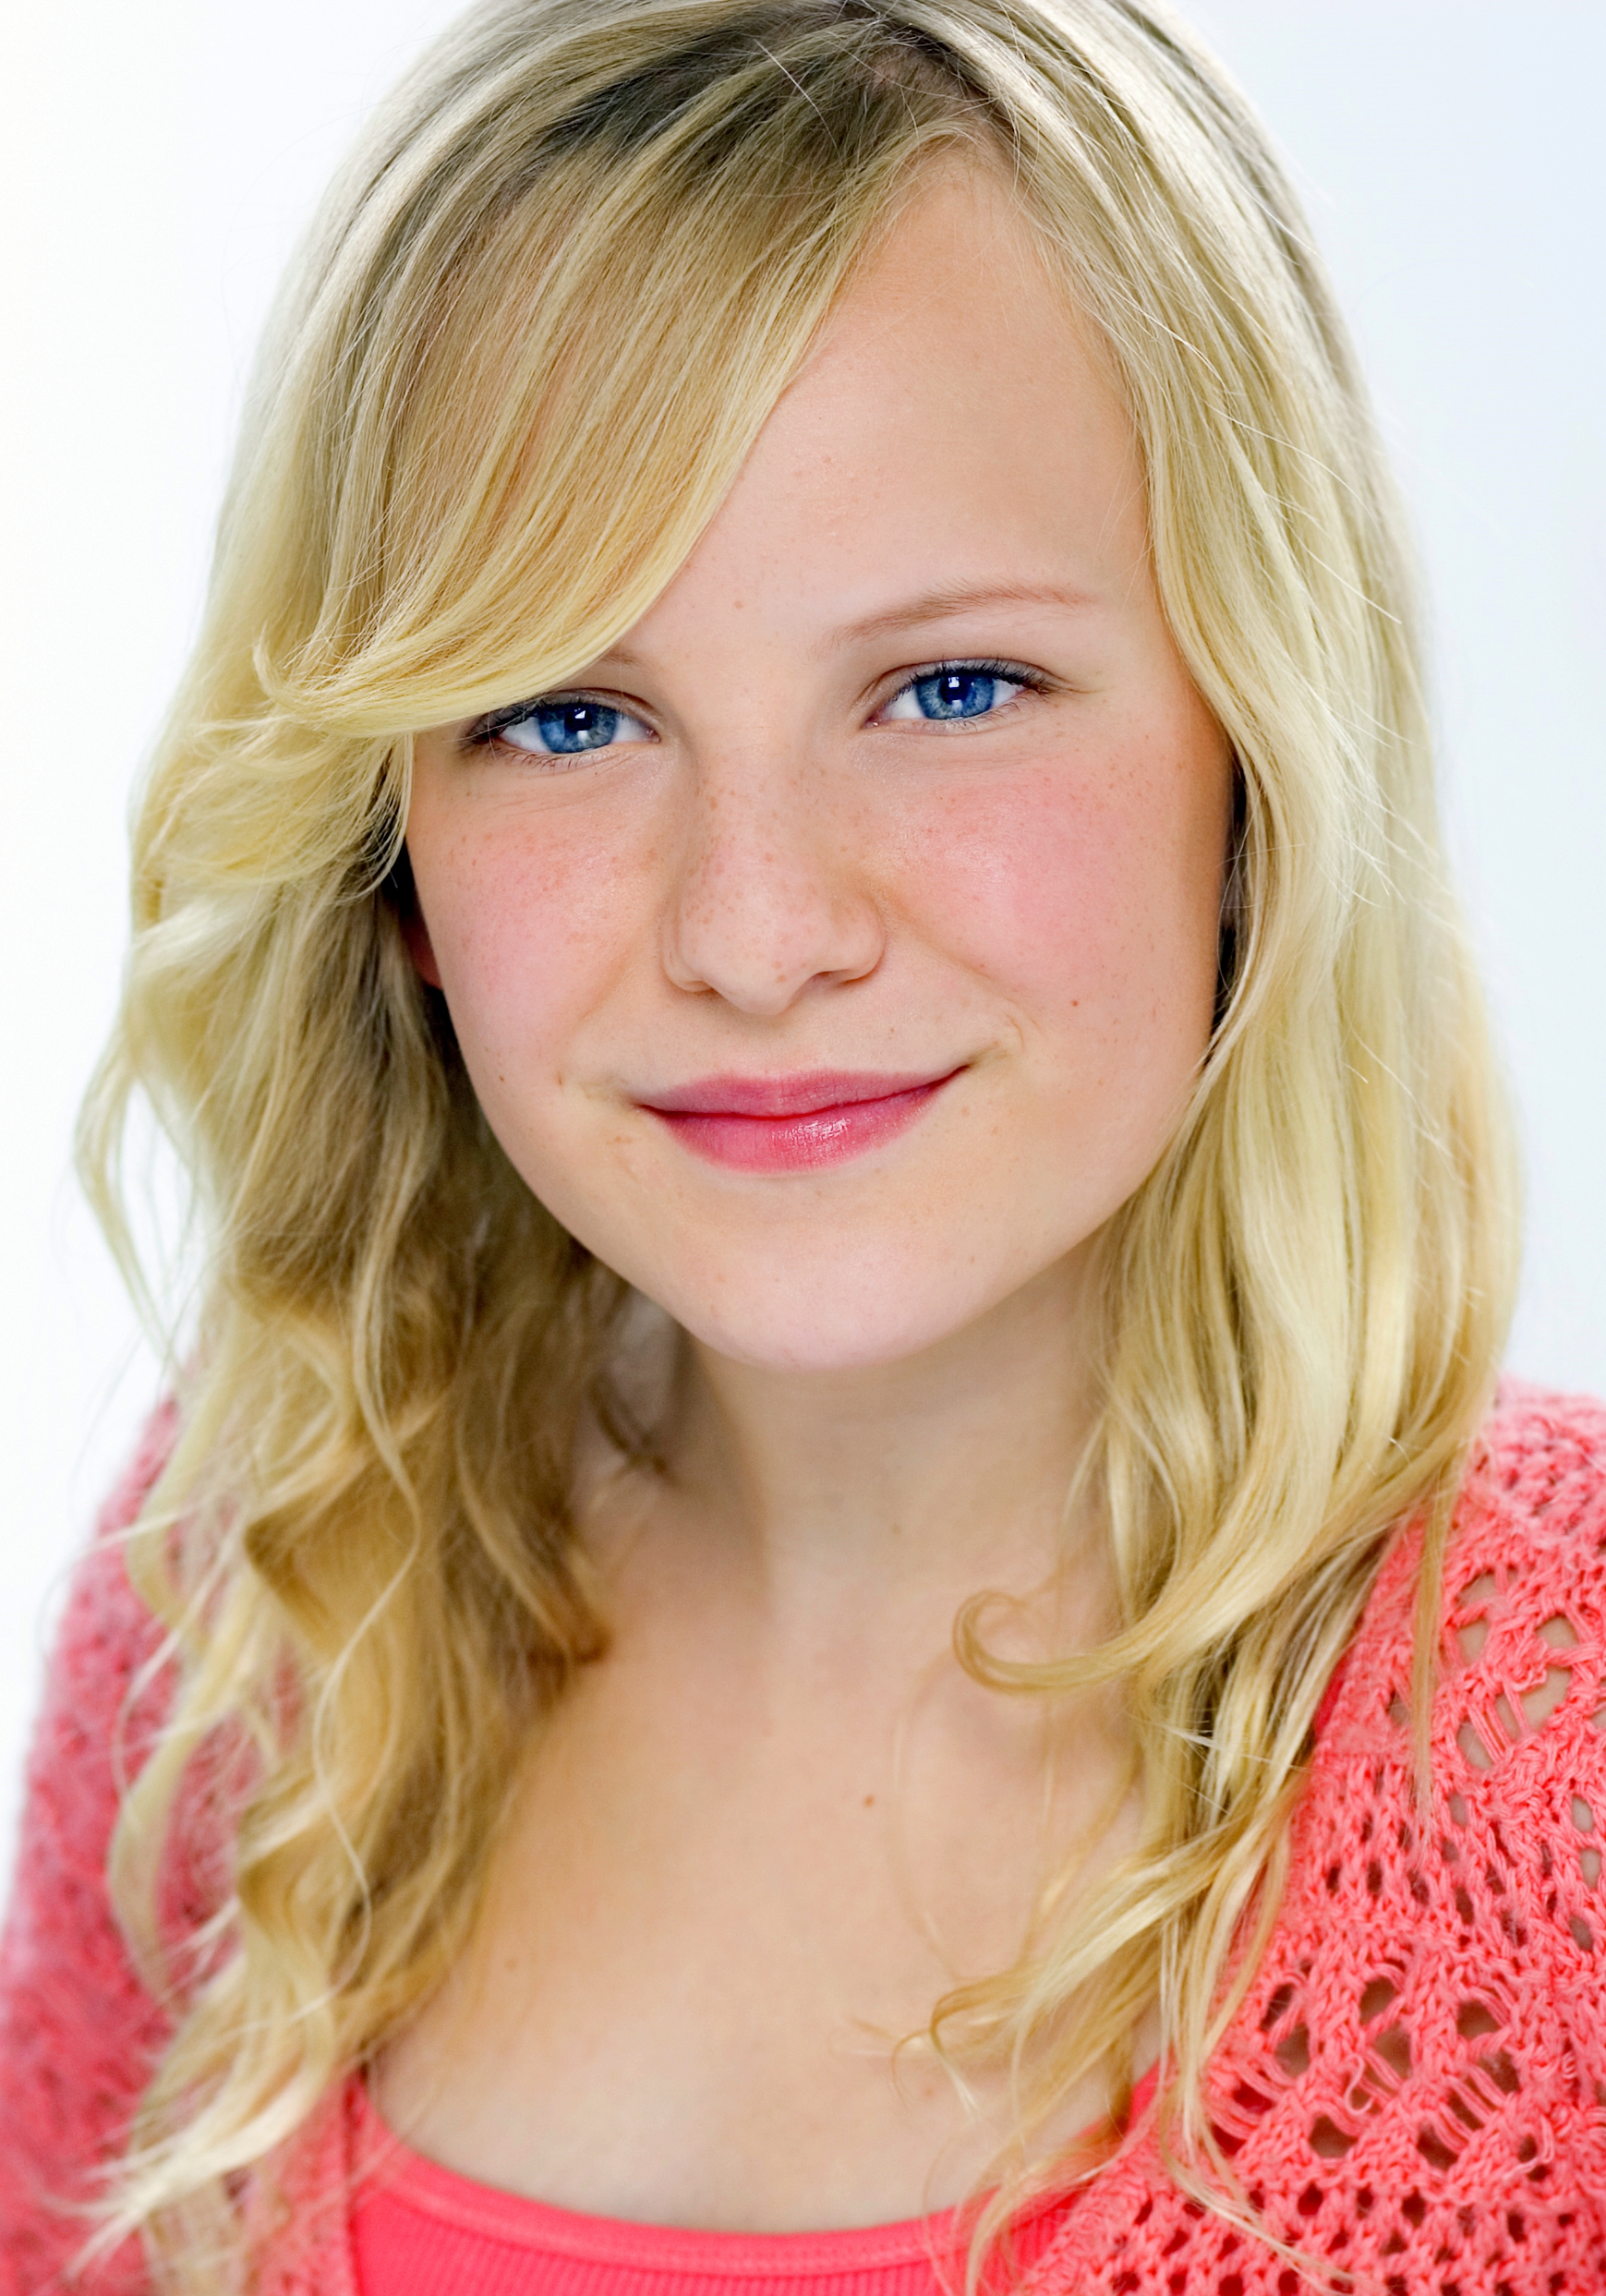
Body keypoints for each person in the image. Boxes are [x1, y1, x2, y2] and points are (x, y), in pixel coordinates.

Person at [4, 0, 1604, 2289]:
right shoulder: (266, 1600)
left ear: (1252, 753)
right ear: (390, 855)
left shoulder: (1565, 1753)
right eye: (565, 714)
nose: (757, 934)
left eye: (952, 689)